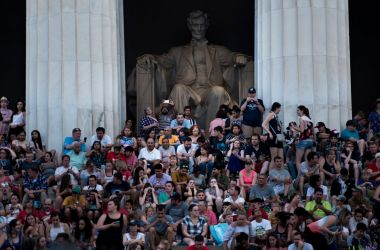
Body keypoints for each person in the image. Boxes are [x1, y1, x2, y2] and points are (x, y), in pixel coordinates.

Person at [133, 10, 250, 129]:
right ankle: (182, 132)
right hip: (188, 90)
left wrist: (238, 57)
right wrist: (150, 57)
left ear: (206, 26)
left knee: (219, 91)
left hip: (209, 90)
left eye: (201, 25)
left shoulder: (218, 51)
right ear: (190, 26)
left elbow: (231, 57)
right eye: (195, 25)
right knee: (178, 88)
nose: (198, 29)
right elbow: (162, 60)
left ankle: (212, 133)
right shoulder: (177, 52)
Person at [290, 105, 314, 172]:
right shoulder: (309, 119)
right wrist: (314, 140)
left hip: (303, 141)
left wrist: (294, 127)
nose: (297, 112)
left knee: (298, 161)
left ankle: (300, 177)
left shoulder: (301, 118)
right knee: (307, 161)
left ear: (302, 111)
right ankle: (308, 176)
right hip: (310, 141)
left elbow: (302, 130)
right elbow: (313, 131)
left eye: (298, 110)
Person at [262, 102, 284, 168]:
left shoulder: (276, 116)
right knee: (274, 158)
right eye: (279, 108)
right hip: (273, 137)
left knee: (281, 158)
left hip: (279, 137)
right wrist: (269, 133)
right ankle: (271, 176)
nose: (280, 110)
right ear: (276, 108)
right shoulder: (271, 114)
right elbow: (263, 124)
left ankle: (281, 175)